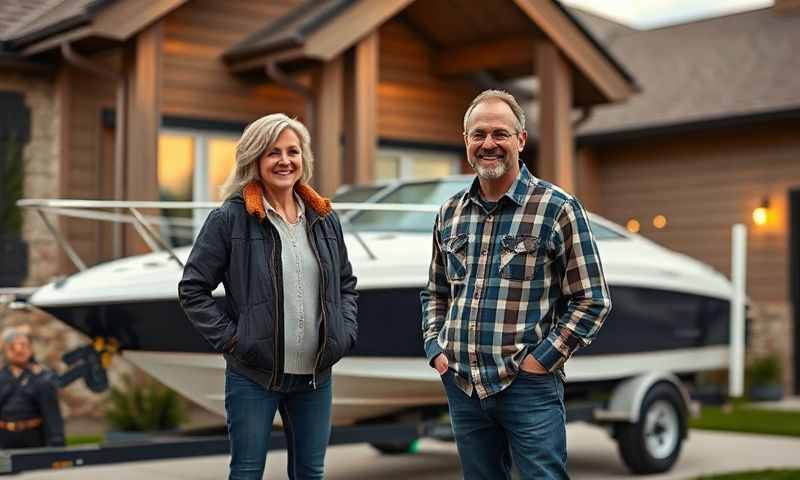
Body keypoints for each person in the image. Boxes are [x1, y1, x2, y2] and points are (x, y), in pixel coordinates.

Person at [420, 90, 612, 479]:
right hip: (463, 385)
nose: (488, 144)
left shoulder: (557, 208)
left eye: (500, 134)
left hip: (527, 388)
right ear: (466, 141)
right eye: (478, 134)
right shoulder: (449, 212)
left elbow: (592, 299)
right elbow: (436, 291)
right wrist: (435, 347)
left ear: (521, 140)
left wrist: (541, 361)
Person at [179, 113, 358, 480]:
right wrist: (233, 340)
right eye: (273, 152)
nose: (284, 161)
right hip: (253, 376)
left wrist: (344, 333)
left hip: (314, 377)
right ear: (255, 160)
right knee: (246, 473)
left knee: (311, 474)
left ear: (303, 160)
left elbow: (345, 284)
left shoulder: (324, 218)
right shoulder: (229, 219)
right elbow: (193, 288)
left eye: (293, 151)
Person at [0, 326, 65, 449]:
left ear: (30, 349)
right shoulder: (2, 376)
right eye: (13, 346)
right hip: (5, 438)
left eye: (24, 345)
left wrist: (56, 442)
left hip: (33, 437)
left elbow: (52, 414)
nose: (19, 350)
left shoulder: (42, 376)